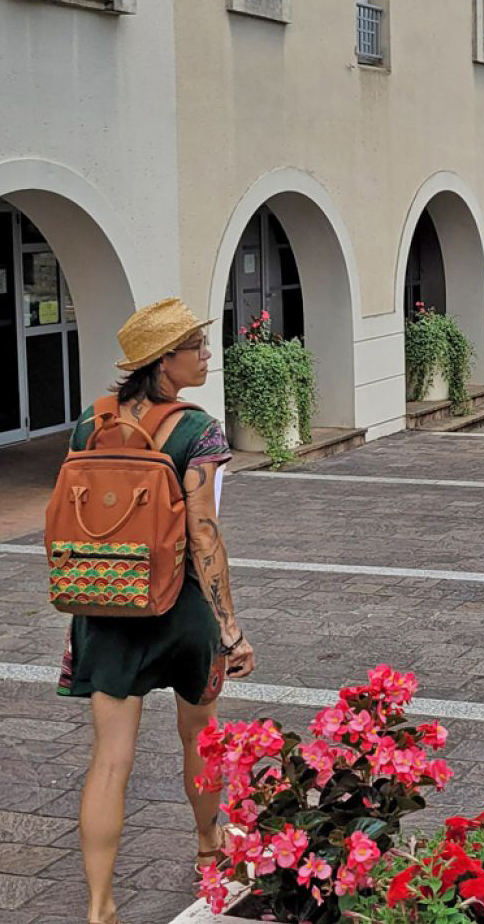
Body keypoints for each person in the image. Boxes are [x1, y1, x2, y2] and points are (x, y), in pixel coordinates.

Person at [57, 298, 256, 924]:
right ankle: (207, 849)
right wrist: (230, 628)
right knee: (201, 734)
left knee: (109, 758)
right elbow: (204, 535)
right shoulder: (199, 430)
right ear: (163, 361)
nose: (205, 354)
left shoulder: (91, 421)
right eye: (195, 346)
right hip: (181, 610)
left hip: (104, 602)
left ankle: (99, 906)